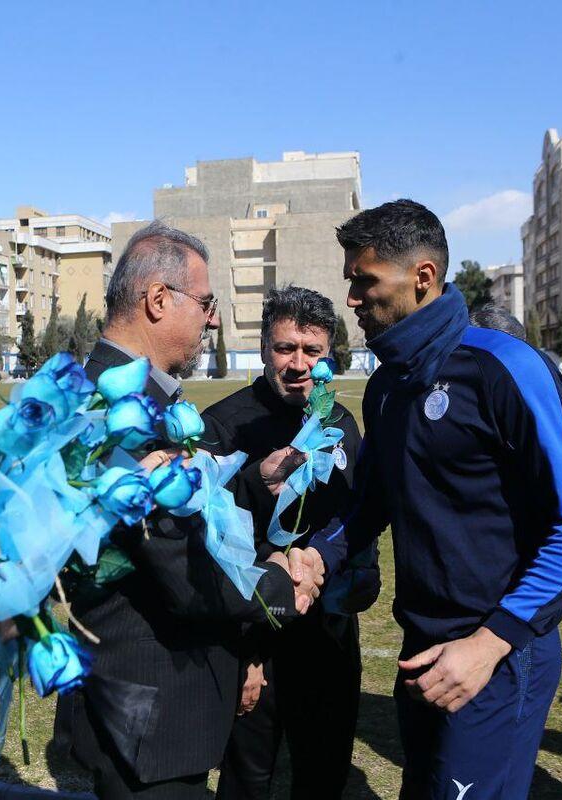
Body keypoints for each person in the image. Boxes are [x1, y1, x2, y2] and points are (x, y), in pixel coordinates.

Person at [306, 199, 562, 799]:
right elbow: (371, 503)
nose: (351, 300)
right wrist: (318, 555)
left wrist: (488, 644)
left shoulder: (506, 366)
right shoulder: (386, 387)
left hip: (496, 654)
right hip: (420, 649)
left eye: (364, 281)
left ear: (423, 277)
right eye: (349, 282)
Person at [54, 221, 325, 799]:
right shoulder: (116, 410)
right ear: (158, 300)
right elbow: (181, 564)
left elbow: (172, 511)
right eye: (205, 303)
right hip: (146, 717)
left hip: (148, 709)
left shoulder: (131, 394)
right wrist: (282, 586)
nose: (213, 319)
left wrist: (252, 483)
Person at [202, 286, 377, 799]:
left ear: (329, 354)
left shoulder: (340, 424)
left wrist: (363, 575)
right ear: (262, 348)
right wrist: (246, 652)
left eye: (312, 351)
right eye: (285, 348)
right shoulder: (223, 425)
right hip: (255, 644)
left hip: (328, 638)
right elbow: (209, 543)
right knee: (248, 782)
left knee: (323, 775)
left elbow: (359, 515)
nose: (298, 364)